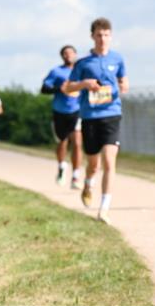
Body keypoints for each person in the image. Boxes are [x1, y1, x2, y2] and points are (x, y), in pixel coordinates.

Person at [62, 18, 128, 224]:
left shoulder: (118, 59)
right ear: (92, 36)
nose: (102, 39)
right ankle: (88, 183)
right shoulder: (83, 63)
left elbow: (124, 81)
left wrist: (121, 87)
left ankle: (104, 208)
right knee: (93, 164)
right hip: (90, 116)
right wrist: (84, 84)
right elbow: (67, 87)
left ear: (111, 36)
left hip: (112, 114)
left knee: (109, 161)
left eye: (106, 34)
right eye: (99, 35)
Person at [41, 45, 83, 189]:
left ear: (76, 54)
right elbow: (44, 88)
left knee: (77, 143)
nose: (68, 55)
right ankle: (61, 166)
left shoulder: (82, 71)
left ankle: (76, 175)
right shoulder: (56, 72)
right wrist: (59, 88)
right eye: (65, 53)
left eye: (71, 53)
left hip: (77, 111)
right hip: (59, 111)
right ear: (62, 56)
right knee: (62, 143)